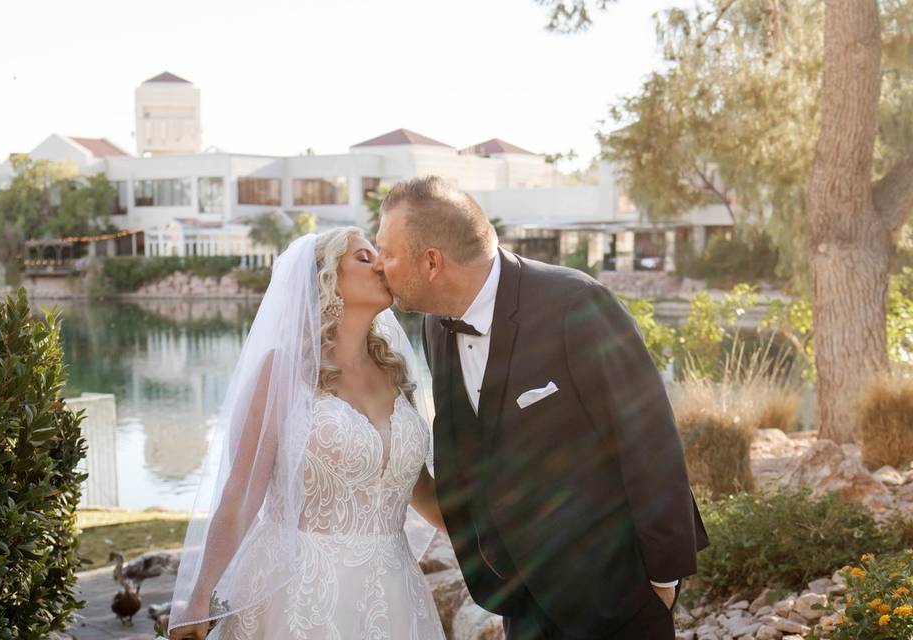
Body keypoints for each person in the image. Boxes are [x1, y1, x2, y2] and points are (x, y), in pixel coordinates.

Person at [373, 176, 710, 640]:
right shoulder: (436, 327)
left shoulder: (575, 304)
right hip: (522, 599)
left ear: (432, 262)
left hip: (618, 591)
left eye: (387, 253)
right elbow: (465, 448)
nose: (379, 267)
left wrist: (662, 578)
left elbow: (649, 439)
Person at [167, 228, 447, 640]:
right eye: (364, 258)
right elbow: (243, 491)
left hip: (393, 591)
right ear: (326, 278)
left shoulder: (394, 370)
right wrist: (199, 595)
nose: (382, 265)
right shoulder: (282, 371)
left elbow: (413, 485)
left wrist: (492, 537)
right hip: (298, 591)